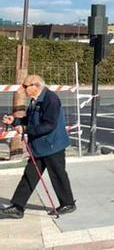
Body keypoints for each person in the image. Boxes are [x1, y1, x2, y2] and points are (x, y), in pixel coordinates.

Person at [0, 75, 76, 219]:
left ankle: (68, 203)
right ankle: (17, 207)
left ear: (36, 86)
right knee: (29, 175)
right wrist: (15, 120)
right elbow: (30, 119)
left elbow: (49, 125)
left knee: (58, 174)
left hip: (53, 145)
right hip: (39, 146)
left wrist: (26, 130)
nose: (23, 89)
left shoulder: (51, 99)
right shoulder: (36, 100)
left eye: (25, 86)